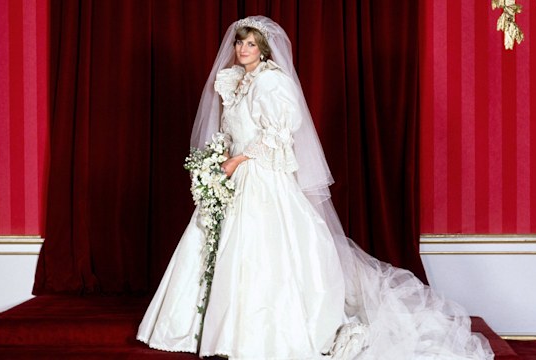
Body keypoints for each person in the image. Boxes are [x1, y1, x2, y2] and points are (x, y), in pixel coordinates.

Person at [137, 16, 494, 360]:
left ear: (263, 49)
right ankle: (206, 327)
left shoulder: (272, 82)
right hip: (235, 176)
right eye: (240, 42)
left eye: (251, 43)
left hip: (260, 176)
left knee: (260, 251)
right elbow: (233, 131)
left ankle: (254, 332)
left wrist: (237, 160)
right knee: (214, 242)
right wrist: (219, 160)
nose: (243, 48)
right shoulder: (234, 82)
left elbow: (279, 133)